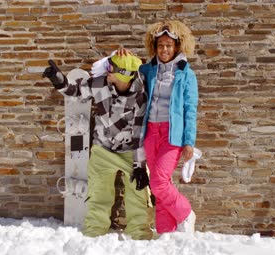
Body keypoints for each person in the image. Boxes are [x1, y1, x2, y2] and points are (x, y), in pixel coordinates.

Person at [42, 54, 154, 240]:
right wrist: (58, 79)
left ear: (123, 74)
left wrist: (139, 166)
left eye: (111, 68)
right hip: (102, 148)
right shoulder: (100, 84)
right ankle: (95, 231)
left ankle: (139, 233)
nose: (106, 70)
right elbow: (75, 91)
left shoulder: (140, 96)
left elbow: (139, 133)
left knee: (138, 192)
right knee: (98, 193)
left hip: (129, 151)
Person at [120, 20, 199, 234]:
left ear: (176, 47)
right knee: (160, 184)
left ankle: (185, 213)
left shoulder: (186, 74)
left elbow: (190, 109)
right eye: (160, 45)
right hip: (151, 132)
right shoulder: (148, 70)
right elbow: (128, 70)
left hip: (172, 135)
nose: (164, 49)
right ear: (154, 47)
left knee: (158, 182)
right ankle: (166, 232)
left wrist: (189, 141)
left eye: (169, 45)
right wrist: (124, 56)